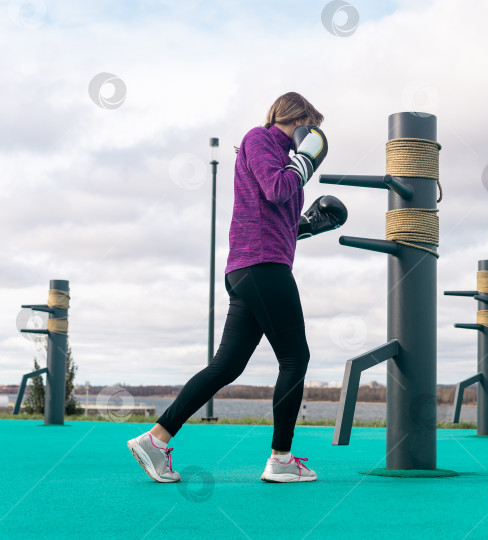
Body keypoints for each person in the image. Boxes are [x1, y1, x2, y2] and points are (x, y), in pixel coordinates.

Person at [127, 91, 346, 483]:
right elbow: (277, 190)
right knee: (295, 358)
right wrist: (305, 161)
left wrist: (310, 225)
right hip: (262, 268)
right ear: (299, 119)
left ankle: (155, 439)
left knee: (225, 366)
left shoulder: (281, 157)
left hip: (254, 267)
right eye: (311, 127)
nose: (312, 135)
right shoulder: (259, 139)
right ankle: (281, 460)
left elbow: (275, 219)